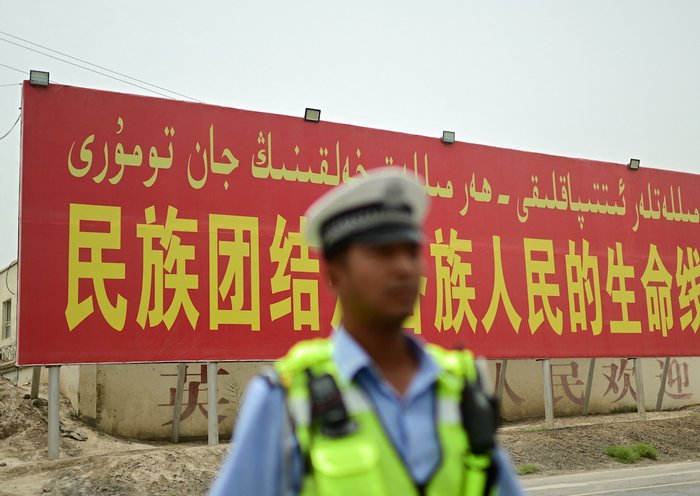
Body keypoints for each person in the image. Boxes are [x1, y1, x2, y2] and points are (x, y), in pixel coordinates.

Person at [210, 167, 524, 495]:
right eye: (382, 253)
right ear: (333, 274)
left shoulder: (460, 389)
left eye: (411, 251)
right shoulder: (286, 399)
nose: (403, 267)